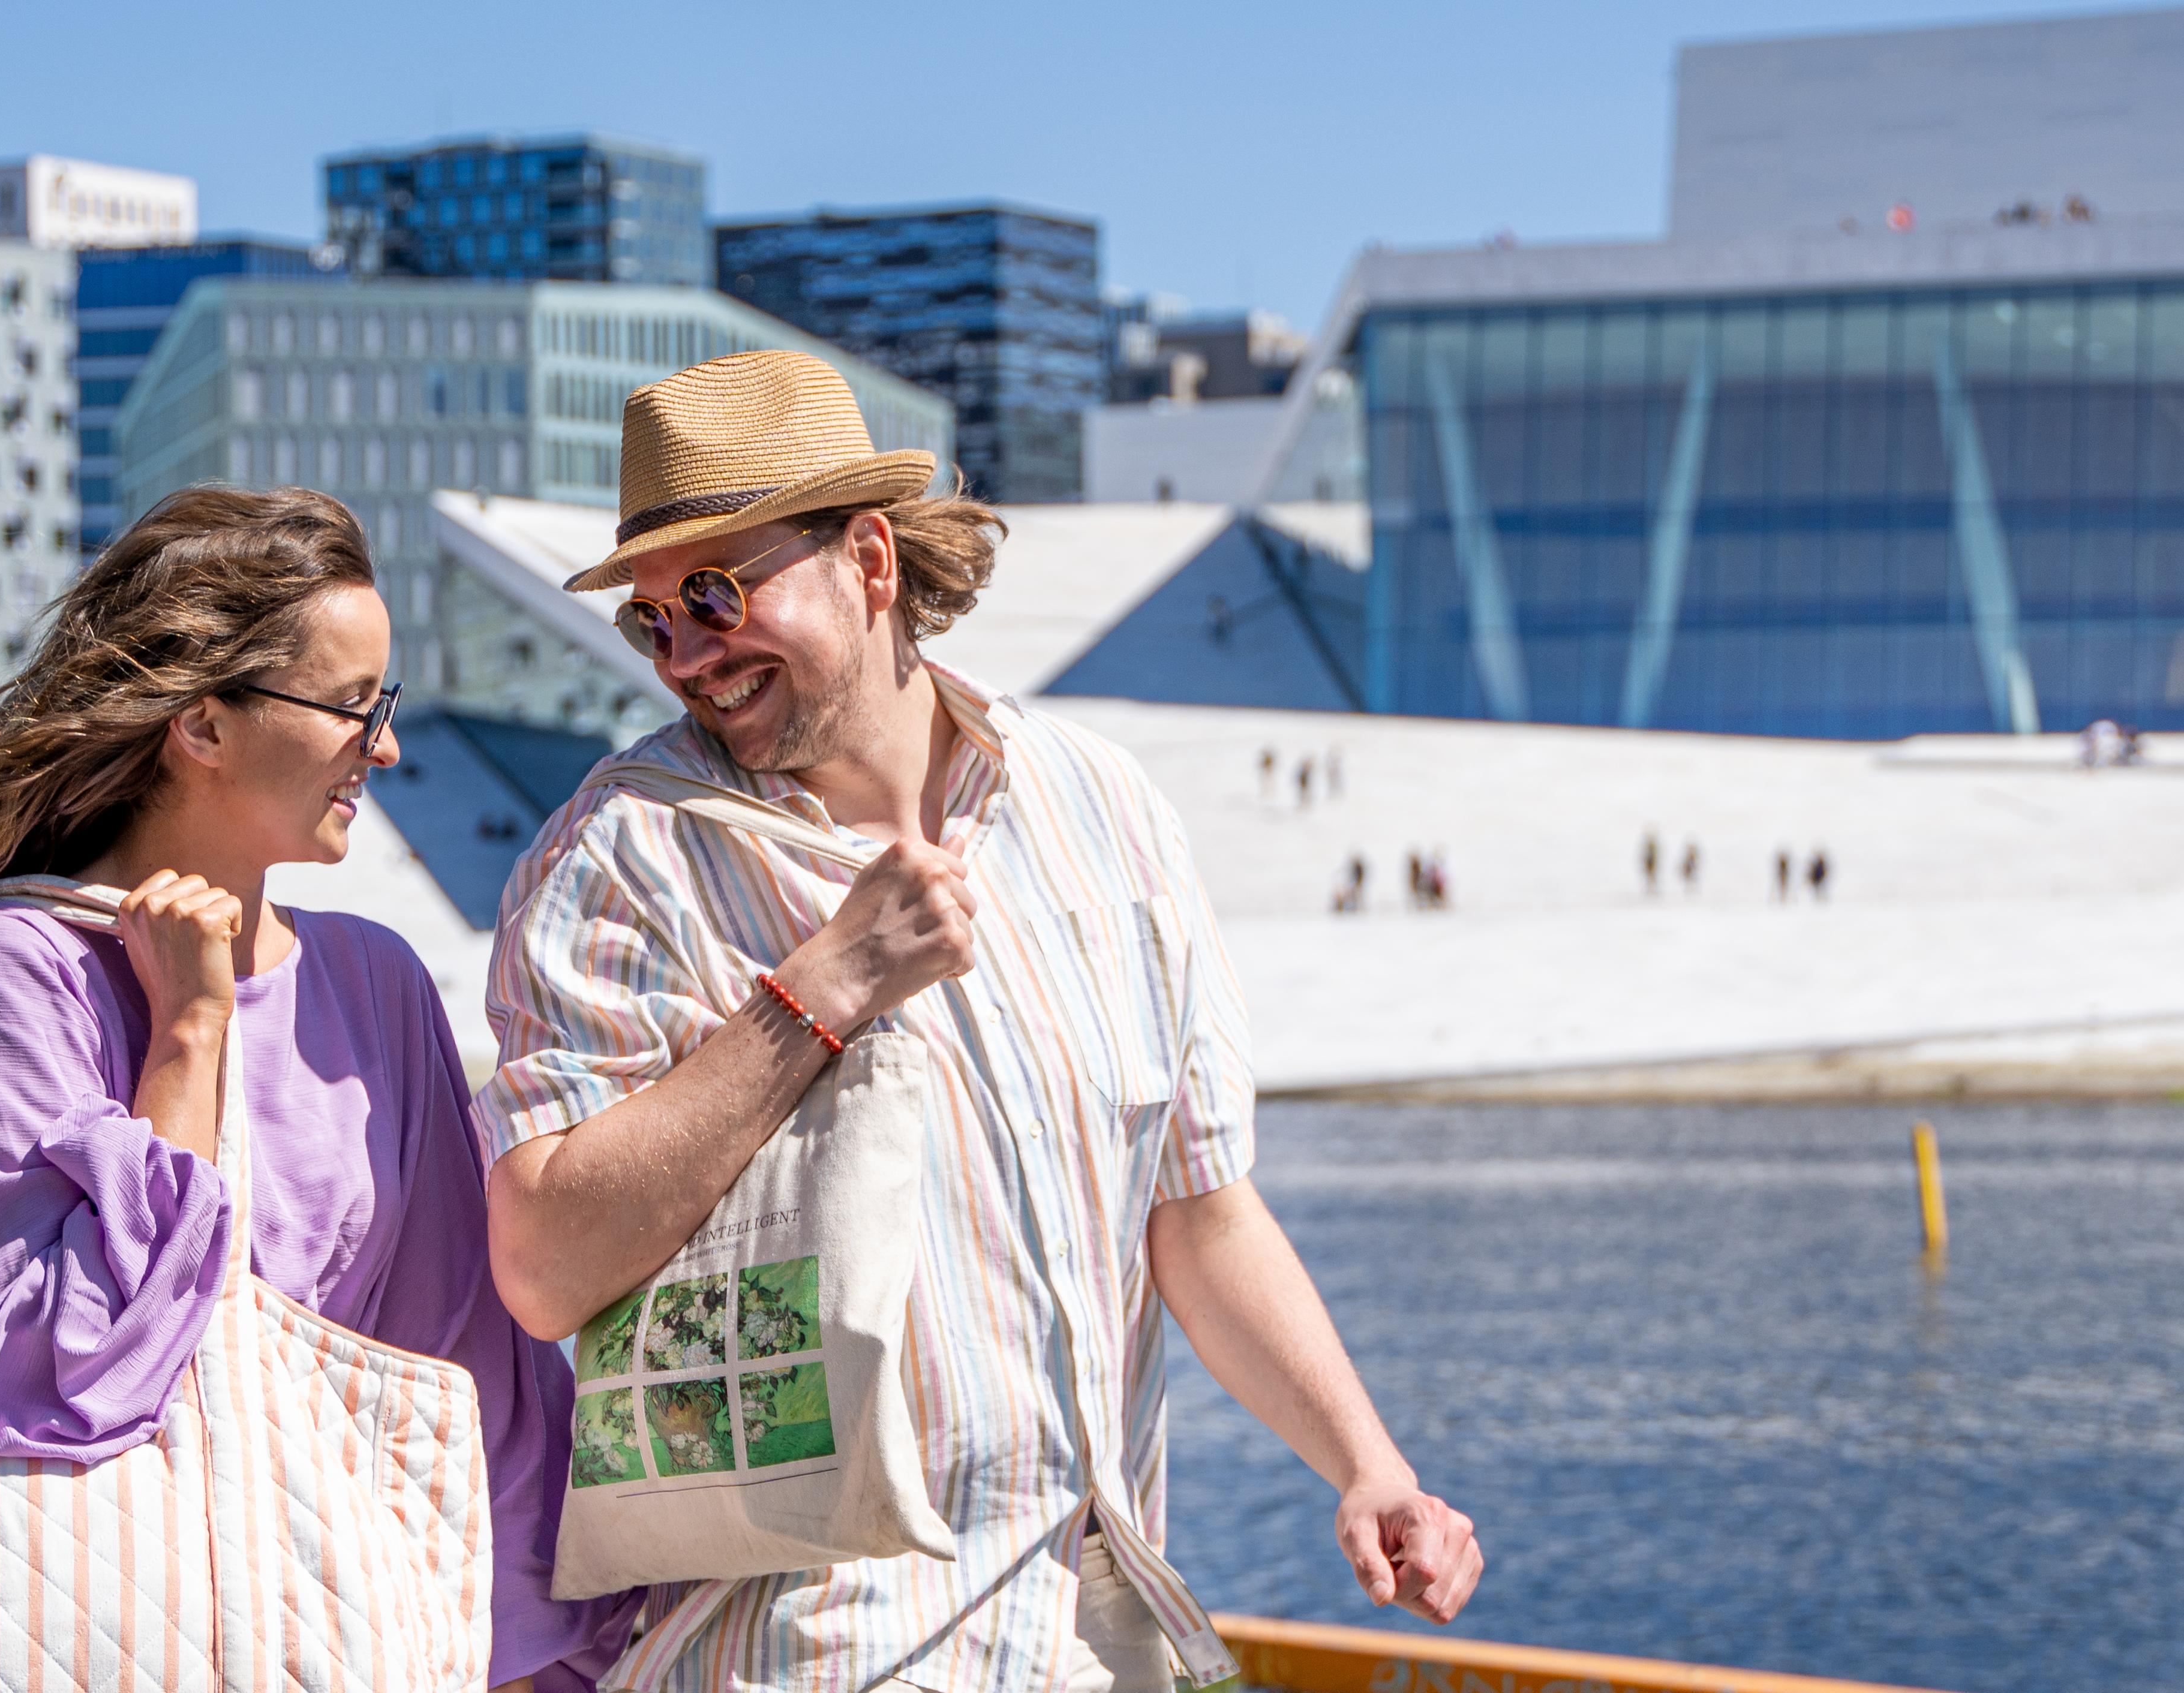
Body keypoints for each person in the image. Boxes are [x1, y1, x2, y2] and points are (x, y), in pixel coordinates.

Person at [480, 352, 1480, 1693]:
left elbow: (1196, 1208)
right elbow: (544, 1258)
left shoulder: (1096, 804)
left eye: (715, 592)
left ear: (872, 558)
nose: (689, 657)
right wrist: (821, 989)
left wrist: (1367, 1461)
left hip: (1096, 1637)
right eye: (654, 620)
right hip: (809, 1657)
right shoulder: (618, 859)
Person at [0, 488, 629, 1693]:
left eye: (389, 705)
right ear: (202, 725)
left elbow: (463, 1377)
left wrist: (535, 1662)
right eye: (354, 706)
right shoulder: (17, 968)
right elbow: (44, 1371)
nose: (387, 747)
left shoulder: (375, 984)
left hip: (356, 1631)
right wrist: (190, 1033)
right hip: (111, 1623)